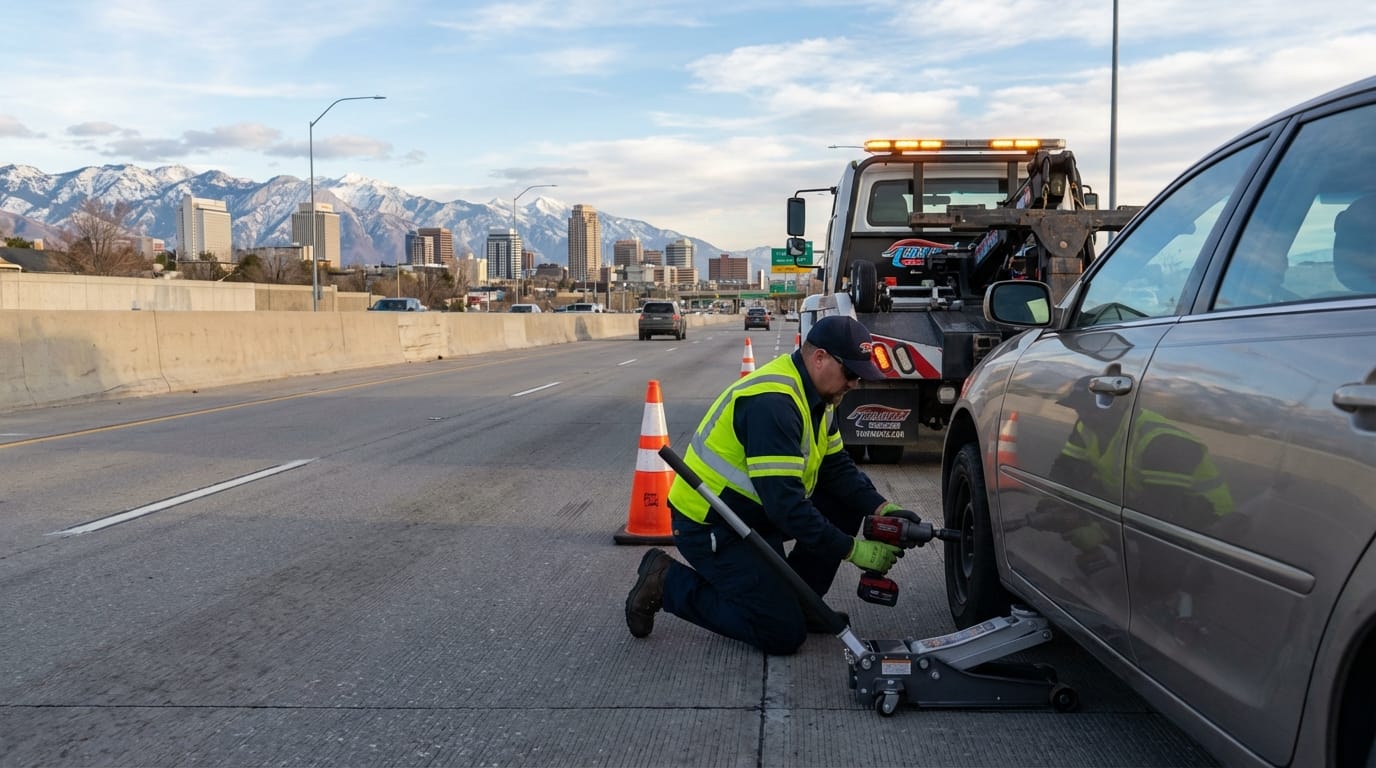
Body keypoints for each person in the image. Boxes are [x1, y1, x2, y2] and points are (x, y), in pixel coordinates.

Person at [623, 315, 918, 655]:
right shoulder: (774, 404)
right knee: (781, 632)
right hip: (714, 526)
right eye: (850, 373)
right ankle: (665, 581)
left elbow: (837, 469)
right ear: (819, 358)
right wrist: (854, 551)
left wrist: (882, 507)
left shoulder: (821, 398)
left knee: (844, 502)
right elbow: (787, 508)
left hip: (755, 517)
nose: (854, 384)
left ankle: (802, 603)